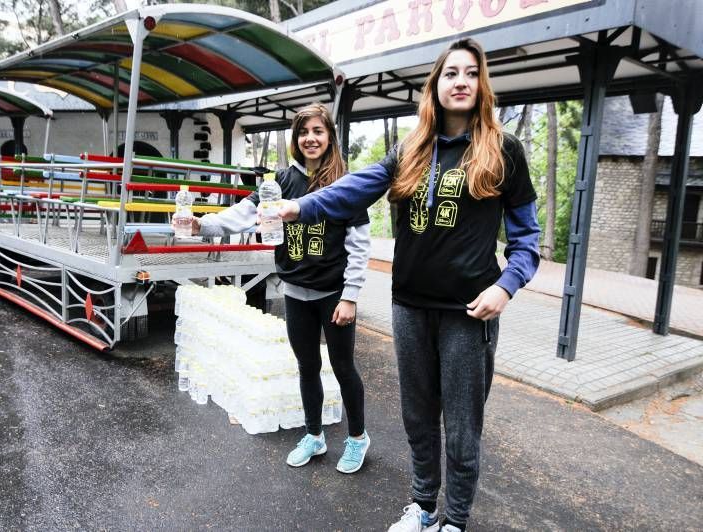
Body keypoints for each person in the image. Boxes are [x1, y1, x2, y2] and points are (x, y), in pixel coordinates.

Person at [279, 39, 540, 531]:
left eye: (470, 73)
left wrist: (505, 287)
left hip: (468, 313)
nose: (460, 81)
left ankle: (454, 521)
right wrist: (300, 206)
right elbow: (356, 186)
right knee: (418, 419)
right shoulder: (411, 149)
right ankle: (422, 506)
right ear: (435, 86)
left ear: (481, 84)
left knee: (462, 429)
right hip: (409, 307)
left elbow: (527, 238)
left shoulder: (503, 150)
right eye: (450, 73)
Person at [175, 102, 373, 474]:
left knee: (343, 367)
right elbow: (239, 217)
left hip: (334, 296)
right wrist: (201, 225)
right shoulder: (279, 182)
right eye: (303, 132)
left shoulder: (347, 184)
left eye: (318, 131)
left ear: (329, 136)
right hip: (296, 292)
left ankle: (357, 439)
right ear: (295, 139)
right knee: (307, 366)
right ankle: (314, 435)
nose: (310, 138)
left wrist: (351, 296)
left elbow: (359, 245)